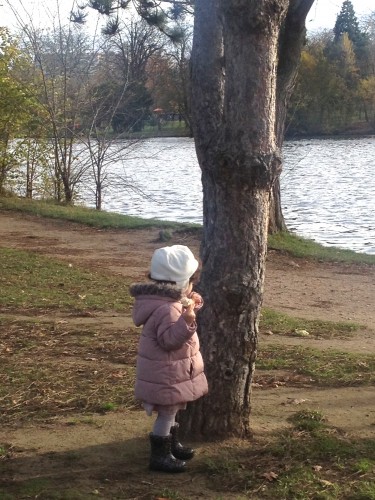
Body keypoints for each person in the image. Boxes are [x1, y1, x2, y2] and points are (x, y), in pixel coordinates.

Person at [129, 245, 208, 473]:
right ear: (181, 283)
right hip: (167, 373)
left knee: (173, 410)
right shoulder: (168, 310)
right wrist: (187, 321)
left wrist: (191, 306)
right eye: (191, 282)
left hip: (168, 371)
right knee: (167, 413)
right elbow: (169, 340)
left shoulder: (164, 304)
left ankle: (172, 444)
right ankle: (160, 455)